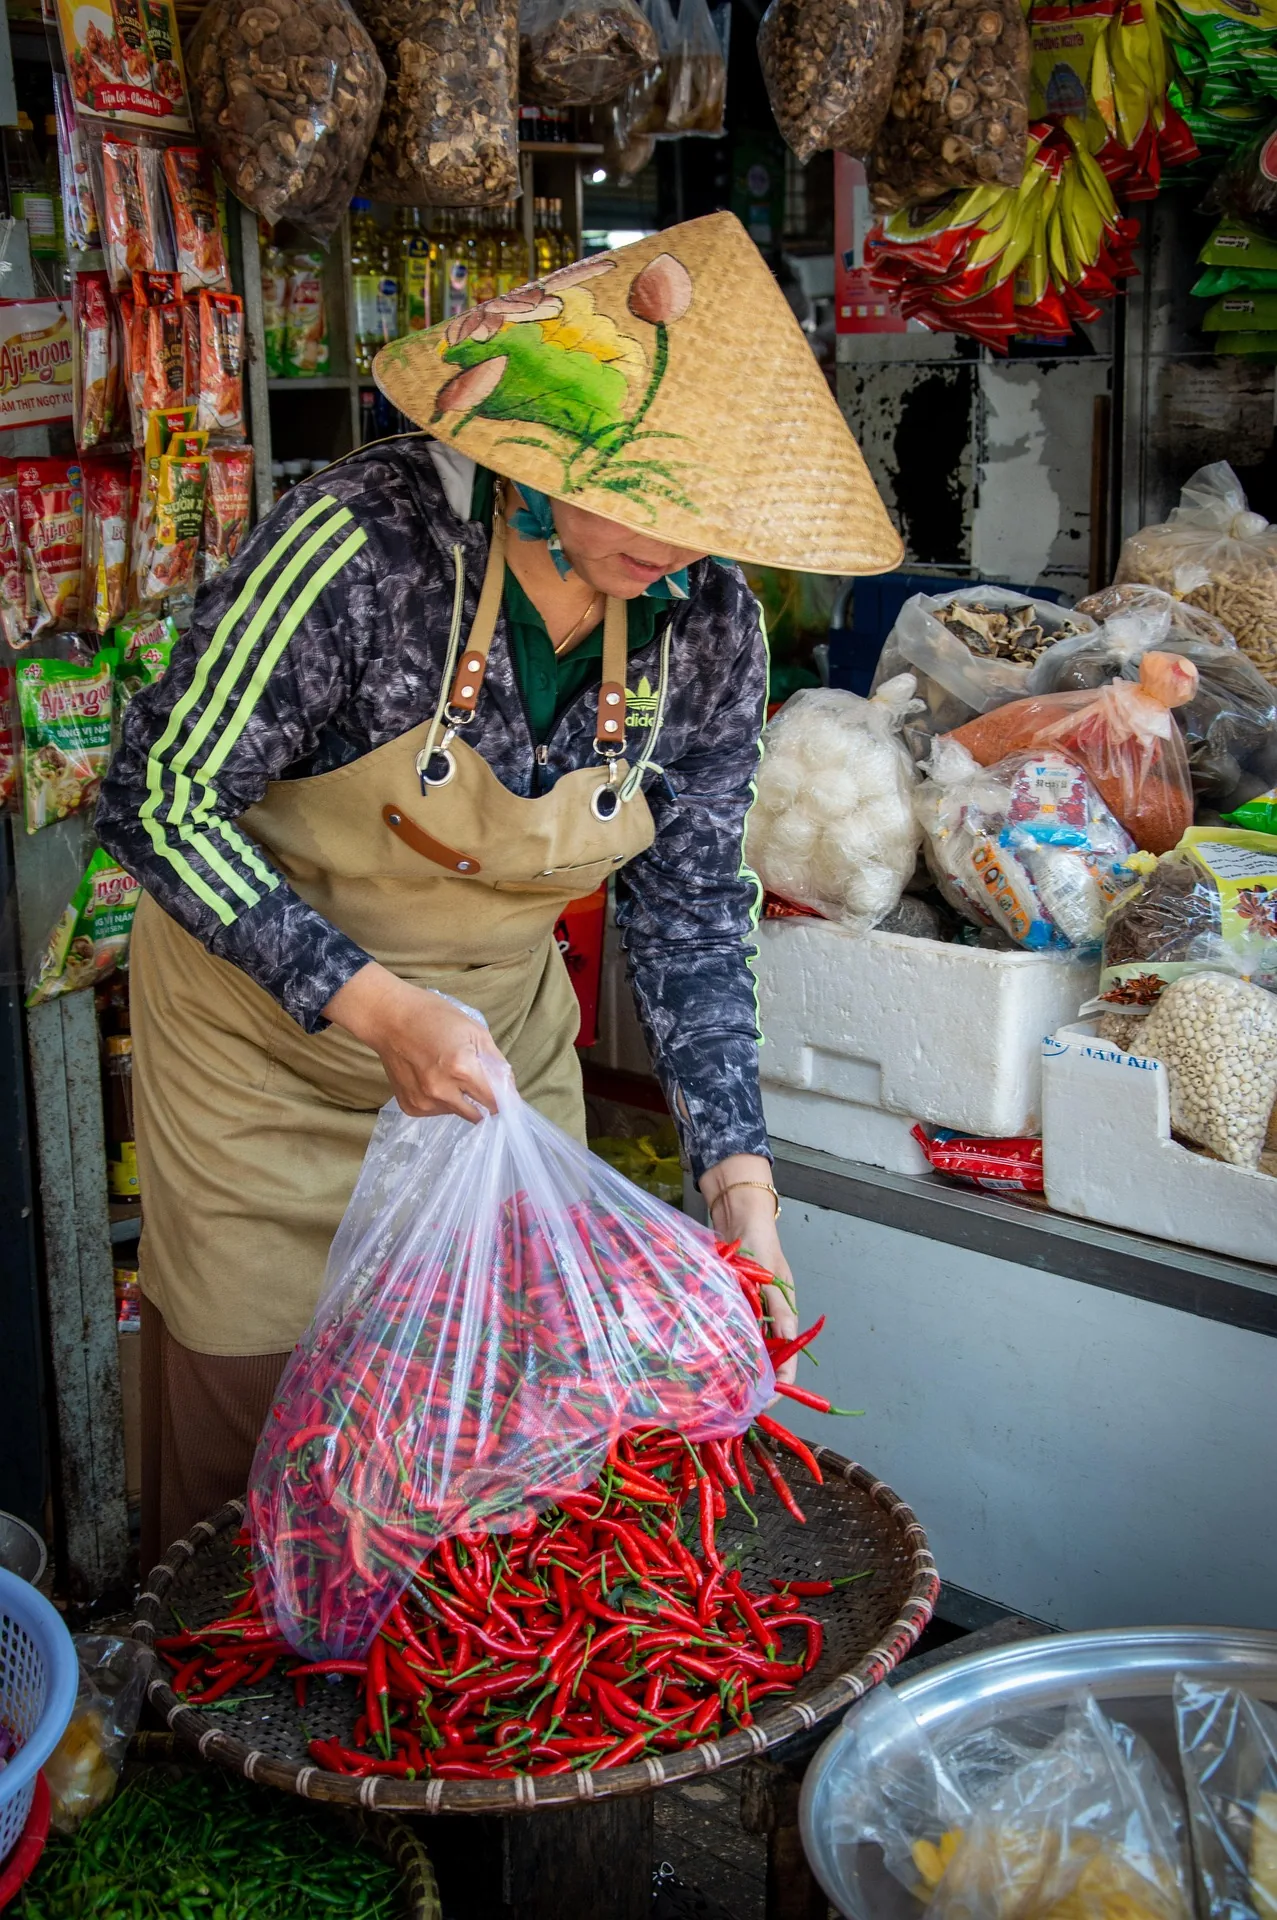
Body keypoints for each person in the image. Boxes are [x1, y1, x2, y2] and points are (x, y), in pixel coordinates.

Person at [96, 212, 902, 1568]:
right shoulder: (363, 551)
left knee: (487, 1444)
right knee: (258, 1463)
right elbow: (158, 795)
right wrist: (375, 1008)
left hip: (498, 1076)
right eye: (649, 499)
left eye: (708, 515)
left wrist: (741, 1187)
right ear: (532, 444)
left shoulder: (709, 625)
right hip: (268, 1074)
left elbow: (693, 906)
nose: (681, 545)